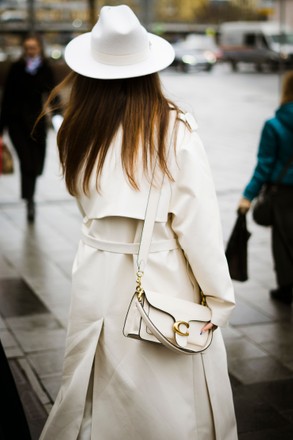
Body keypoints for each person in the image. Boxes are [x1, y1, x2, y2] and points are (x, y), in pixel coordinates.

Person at [39, 5, 238, 440]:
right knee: (170, 403)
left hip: (95, 274)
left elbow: (87, 205)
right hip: (161, 277)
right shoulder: (174, 129)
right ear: (149, 69)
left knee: (97, 398)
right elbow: (197, 226)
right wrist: (219, 301)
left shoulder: (72, 128)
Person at [238, 71, 293, 305]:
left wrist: (248, 196)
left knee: (283, 242)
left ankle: (285, 288)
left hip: (283, 193)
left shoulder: (274, 125)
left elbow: (265, 165)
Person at [0, 33, 58, 222]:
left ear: (40, 48)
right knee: (27, 162)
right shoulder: (17, 69)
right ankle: (30, 201)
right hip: (17, 123)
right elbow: (7, 99)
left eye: (33, 48)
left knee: (37, 163)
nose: (30, 51)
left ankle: (30, 194)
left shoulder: (45, 69)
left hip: (37, 123)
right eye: (27, 48)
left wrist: (59, 115)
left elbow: (53, 95)